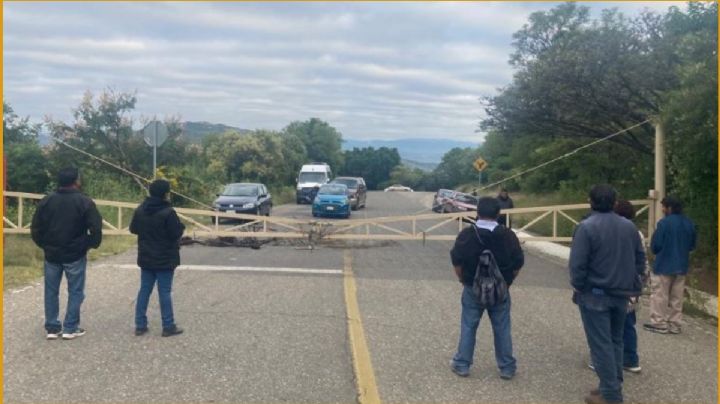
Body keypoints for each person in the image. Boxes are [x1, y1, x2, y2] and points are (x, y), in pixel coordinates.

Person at [569, 185, 646, 404]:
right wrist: (631, 281)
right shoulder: (630, 227)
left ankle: (611, 394)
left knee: (600, 344)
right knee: (615, 341)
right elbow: (639, 259)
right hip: (621, 293)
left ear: (589, 201)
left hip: (594, 294)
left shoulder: (585, 227)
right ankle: (610, 386)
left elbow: (578, 265)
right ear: (615, 202)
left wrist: (579, 286)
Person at [449, 197, 524, 380]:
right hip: (500, 290)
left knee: (469, 325)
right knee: (502, 328)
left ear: (477, 213)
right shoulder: (508, 235)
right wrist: (507, 282)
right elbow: (518, 263)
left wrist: (463, 279)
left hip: (472, 288)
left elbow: (457, 261)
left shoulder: (467, 235)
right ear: (498, 214)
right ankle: (506, 367)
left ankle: (462, 364)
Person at [31, 167, 103, 340]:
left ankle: (52, 327)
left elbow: (36, 227)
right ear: (76, 181)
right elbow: (96, 227)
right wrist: (89, 244)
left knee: (51, 291)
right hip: (75, 253)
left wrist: (44, 245)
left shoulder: (47, 201)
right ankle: (70, 327)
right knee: (76, 291)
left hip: (52, 253)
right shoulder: (85, 202)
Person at [130, 179, 185, 337]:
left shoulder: (141, 209)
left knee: (144, 290)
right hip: (165, 258)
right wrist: (181, 227)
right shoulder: (168, 212)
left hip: (146, 257)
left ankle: (140, 325)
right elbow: (176, 232)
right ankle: (168, 326)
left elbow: (133, 229)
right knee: (165, 292)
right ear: (166, 194)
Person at [643, 196, 696, 335]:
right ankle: (675, 323)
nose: (662, 209)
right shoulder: (689, 223)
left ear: (669, 208)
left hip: (664, 263)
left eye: (664, 207)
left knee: (660, 295)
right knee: (677, 297)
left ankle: (659, 322)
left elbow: (656, 245)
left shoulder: (664, 223)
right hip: (682, 264)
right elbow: (692, 245)